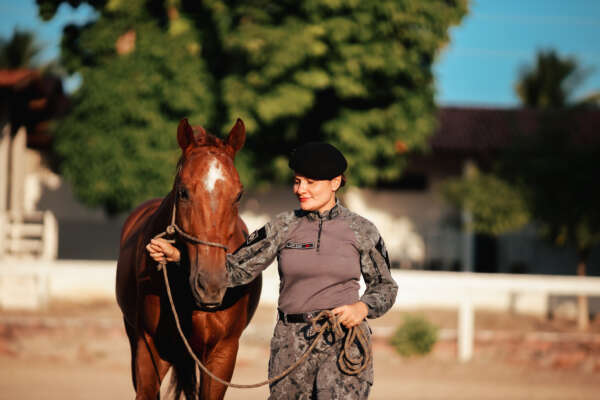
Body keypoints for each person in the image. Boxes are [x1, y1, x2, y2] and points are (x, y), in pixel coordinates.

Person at [147, 142, 398, 399]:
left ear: (335, 183)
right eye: (297, 181)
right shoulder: (282, 226)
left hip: (342, 341)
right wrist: (180, 257)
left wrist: (362, 308)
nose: (300, 189)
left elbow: (385, 286)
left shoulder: (362, 230)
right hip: (290, 344)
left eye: (310, 183)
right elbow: (235, 270)